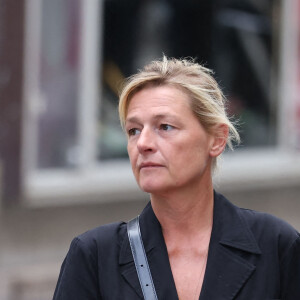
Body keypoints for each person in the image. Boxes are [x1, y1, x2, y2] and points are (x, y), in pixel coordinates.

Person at [53, 57, 300, 300]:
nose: (143, 144)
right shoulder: (95, 256)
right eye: (133, 130)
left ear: (216, 139)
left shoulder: (276, 246)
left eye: (165, 127)